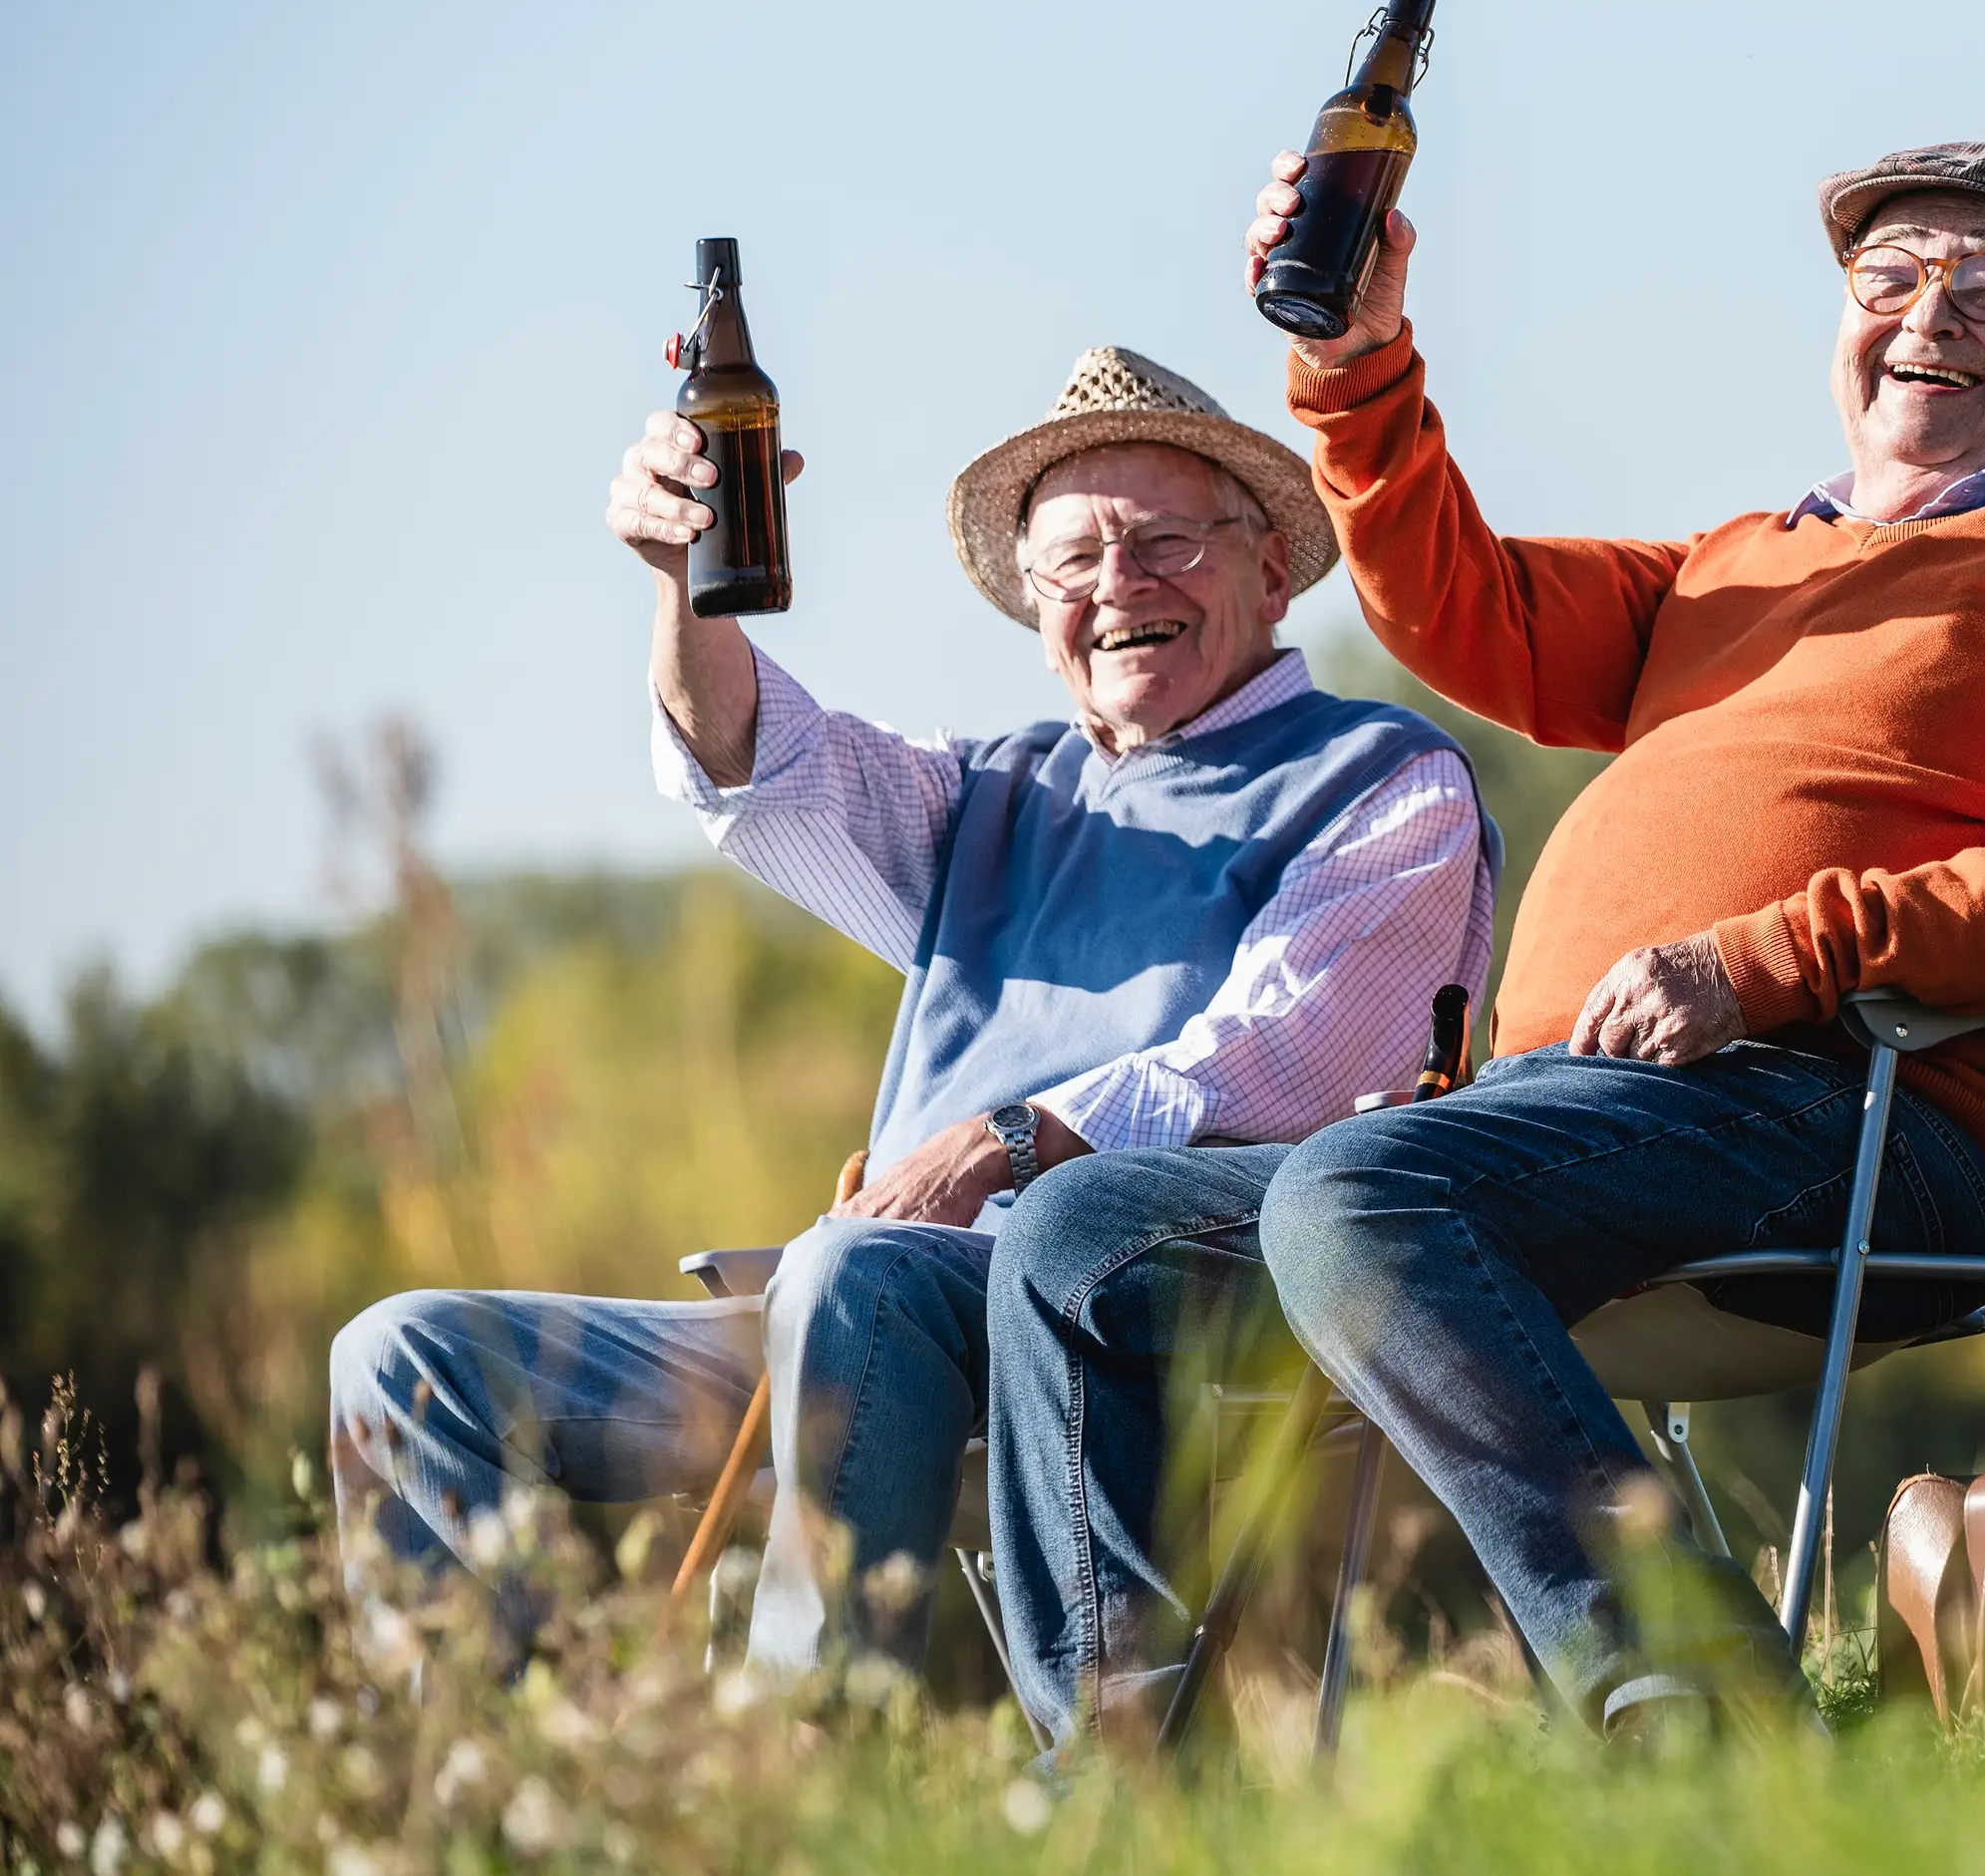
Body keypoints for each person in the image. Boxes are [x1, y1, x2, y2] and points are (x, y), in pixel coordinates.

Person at [984, 143, 1985, 1738]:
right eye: (1890, 278)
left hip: (1862, 1114)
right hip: (1568, 1122)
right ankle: (1127, 1772)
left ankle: (1692, 1695)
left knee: (1358, 1188)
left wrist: (1765, 960)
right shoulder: (1740, 562)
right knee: (1077, 1230)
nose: (1931, 315)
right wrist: (1356, 361)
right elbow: (1464, 608)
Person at [328, 346, 1492, 1673]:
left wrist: (1003, 1138)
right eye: (1075, 564)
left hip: (1147, 1310)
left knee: (848, 1268)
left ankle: (794, 1764)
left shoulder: (1380, 776)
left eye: (1165, 543)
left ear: (1271, 567)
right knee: (401, 1360)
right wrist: (683, 585)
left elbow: (1291, 1050)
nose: (1120, 588)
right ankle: (530, 1795)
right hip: (855, 1320)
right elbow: (761, 770)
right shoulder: (997, 793)